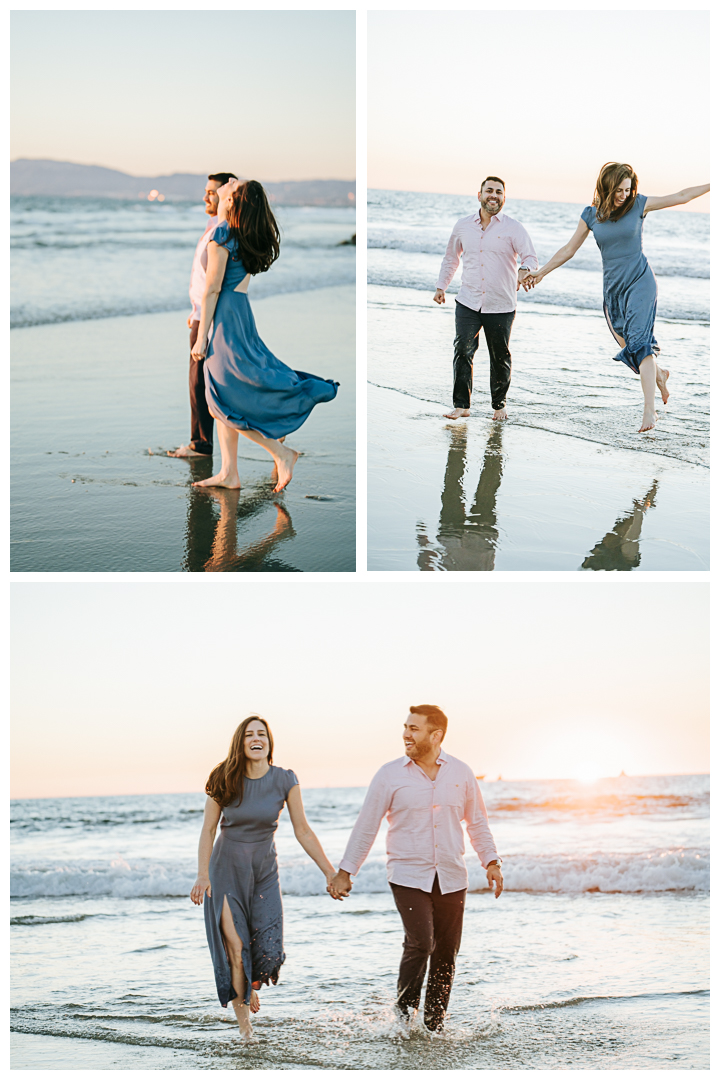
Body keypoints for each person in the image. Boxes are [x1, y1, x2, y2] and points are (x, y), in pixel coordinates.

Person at [329, 705, 503, 1034]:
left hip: (452, 875)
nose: (406, 734)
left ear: (436, 736)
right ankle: (404, 1021)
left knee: (446, 954)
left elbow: (477, 822)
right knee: (421, 942)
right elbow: (367, 825)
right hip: (408, 874)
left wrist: (491, 861)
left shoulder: (461, 773)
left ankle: (434, 1027)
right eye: (405, 727)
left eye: (415, 729)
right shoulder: (389, 774)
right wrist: (346, 871)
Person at [524, 163, 709, 432]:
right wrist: (542, 273)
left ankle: (649, 411)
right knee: (633, 347)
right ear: (607, 187)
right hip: (613, 290)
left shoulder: (639, 205)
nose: (625, 194)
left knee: (641, 344)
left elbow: (681, 196)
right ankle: (659, 374)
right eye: (619, 190)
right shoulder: (591, 215)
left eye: (628, 189)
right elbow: (568, 249)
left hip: (640, 282)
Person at [190, 715, 340, 1042]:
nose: (256, 739)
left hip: (263, 873)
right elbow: (208, 829)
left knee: (270, 953)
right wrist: (202, 874)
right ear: (240, 743)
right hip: (225, 871)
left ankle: (248, 983)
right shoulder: (223, 776)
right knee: (236, 948)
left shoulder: (285, 779)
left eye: (262, 734)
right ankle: (246, 1030)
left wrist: (329, 871)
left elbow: (302, 830)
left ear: (269, 742)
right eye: (249, 735)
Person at [190, 179, 339, 492]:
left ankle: (281, 453)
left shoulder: (222, 234)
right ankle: (229, 472)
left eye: (233, 184)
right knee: (225, 393)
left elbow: (213, 288)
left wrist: (202, 337)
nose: (230, 181)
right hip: (240, 312)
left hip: (225, 318)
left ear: (232, 201)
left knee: (220, 397)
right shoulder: (238, 232)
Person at [434, 177, 538, 422]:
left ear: (504, 197)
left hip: (501, 303)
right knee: (462, 349)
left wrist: (525, 271)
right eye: (489, 191)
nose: (494, 195)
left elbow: (530, 257)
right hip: (468, 300)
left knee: (499, 355)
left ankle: (499, 405)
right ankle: (461, 405)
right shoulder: (462, 226)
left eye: (499, 192)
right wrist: (441, 286)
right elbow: (451, 258)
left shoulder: (514, 228)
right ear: (479, 195)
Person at [168, 171, 238, 459]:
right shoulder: (214, 226)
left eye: (211, 192)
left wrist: (202, 321)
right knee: (217, 379)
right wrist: (193, 310)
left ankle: (201, 445)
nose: (205, 196)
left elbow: (215, 284)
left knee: (201, 381)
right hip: (201, 313)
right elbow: (203, 279)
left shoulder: (222, 230)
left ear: (224, 196)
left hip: (209, 317)